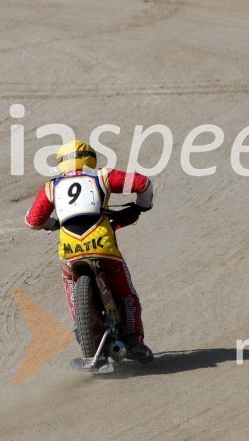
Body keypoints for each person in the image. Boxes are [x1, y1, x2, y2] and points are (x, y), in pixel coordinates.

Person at [24, 139, 155, 363]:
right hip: (103, 246)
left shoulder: (51, 187)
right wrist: (143, 205)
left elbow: (32, 220)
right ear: (89, 157)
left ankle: (83, 333)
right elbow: (143, 183)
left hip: (70, 250)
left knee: (73, 293)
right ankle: (134, 341)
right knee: (126, 296)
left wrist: (54, 224)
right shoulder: (102, 176)